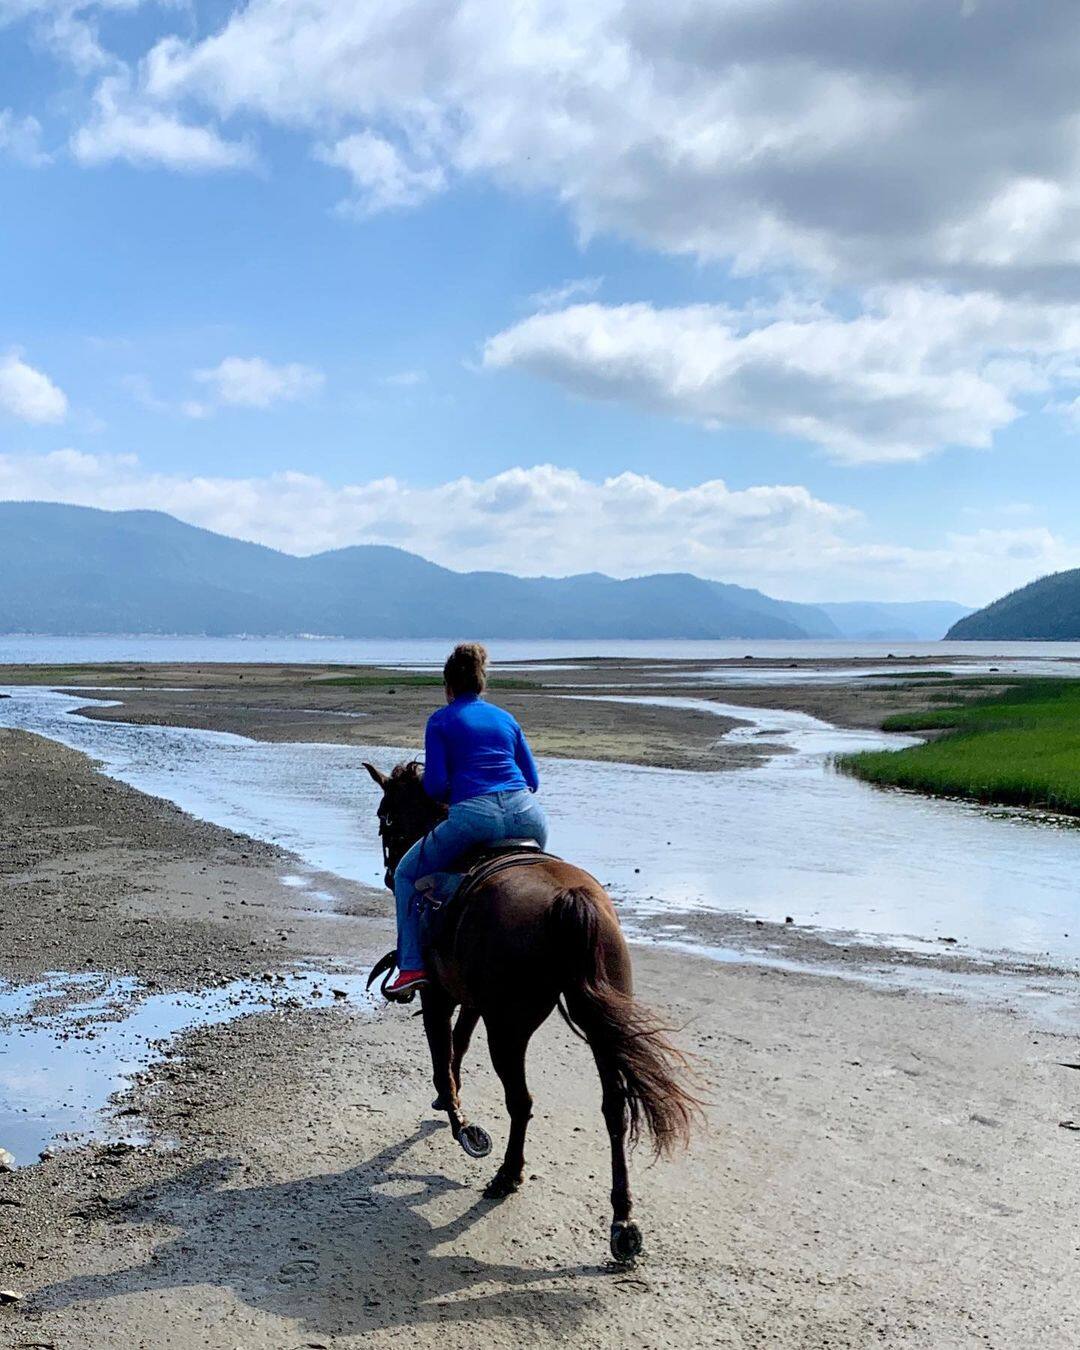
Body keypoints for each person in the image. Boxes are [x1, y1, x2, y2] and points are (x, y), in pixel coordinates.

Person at [385, 642, 548, 998]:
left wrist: (455, 792)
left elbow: (436, 785)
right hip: (529, 818)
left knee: (406, 874)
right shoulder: (507, 719)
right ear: (482, 684)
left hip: (475, 817)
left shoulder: (441, 720)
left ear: (449, 687)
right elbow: (532, 781)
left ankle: (410, 967)